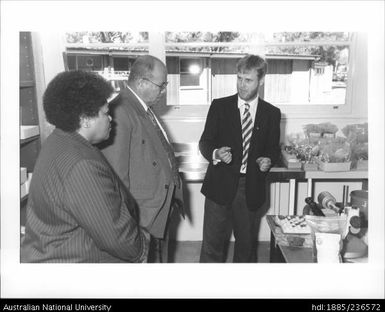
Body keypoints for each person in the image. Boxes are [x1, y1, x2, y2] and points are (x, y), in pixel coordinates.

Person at [21, 70, 148, 263]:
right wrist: (145, 245)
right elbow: (118, 238)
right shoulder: (81, 164)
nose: (111, 119)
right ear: (85, 119)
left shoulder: (59, 139)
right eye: (105, 113)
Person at [100, 55, 183, 263]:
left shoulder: (141, 108)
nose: (163, 91)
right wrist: (128, 226)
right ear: (141, 83)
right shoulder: (120, 111)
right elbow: (117, 177)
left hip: (157, 209)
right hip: (143, 216)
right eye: (160, 85)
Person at [199, 54, 281, 263]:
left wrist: (267, 161)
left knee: (245, 249)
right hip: (219, 184)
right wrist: (216, 153)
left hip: (250, 187)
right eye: (239, 79)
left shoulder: (272, 113)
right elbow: (205, 142)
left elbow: (273, 149)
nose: (242, 85)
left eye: (248, 80)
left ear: (261, 81)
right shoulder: (219, 106)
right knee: (211, 247)